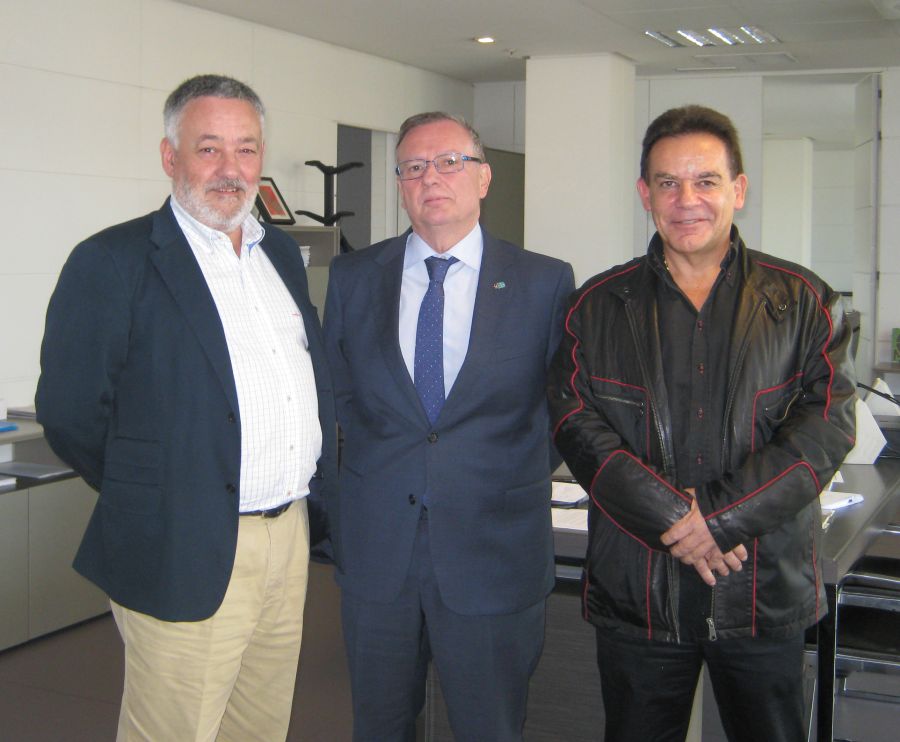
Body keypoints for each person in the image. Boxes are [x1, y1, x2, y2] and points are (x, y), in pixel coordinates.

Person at [35, 74, 337, 742]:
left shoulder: (280, 254)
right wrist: (151, 493)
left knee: (259, 727)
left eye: (248, 149)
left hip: (287, 540)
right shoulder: (113, 261)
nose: (232, 169)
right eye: (209, 148)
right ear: (171, 157)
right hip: (182, 540)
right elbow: (69, 410)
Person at [547, 105, 857, 741]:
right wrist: (675, 519)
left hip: (762, 594)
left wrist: (715, 520)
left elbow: (824, 429)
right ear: (645, 195)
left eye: (706, 181)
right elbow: (578, 425)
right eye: (668, 183)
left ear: (737, 190)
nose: (687, 200)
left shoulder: (803, 303)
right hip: (640, 597)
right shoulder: (596, 308)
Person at [323, 112, 574, 741]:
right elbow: (338, 400)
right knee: (379, 727)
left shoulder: (544, 281)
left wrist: (495, 475)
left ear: (484, 177)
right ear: (401, 185)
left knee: (490, 728)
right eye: (413, 167)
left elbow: (560, 411)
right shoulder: (354, 279)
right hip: (380, 552)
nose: (431, 177)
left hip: (494, 551)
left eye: (450, 162)